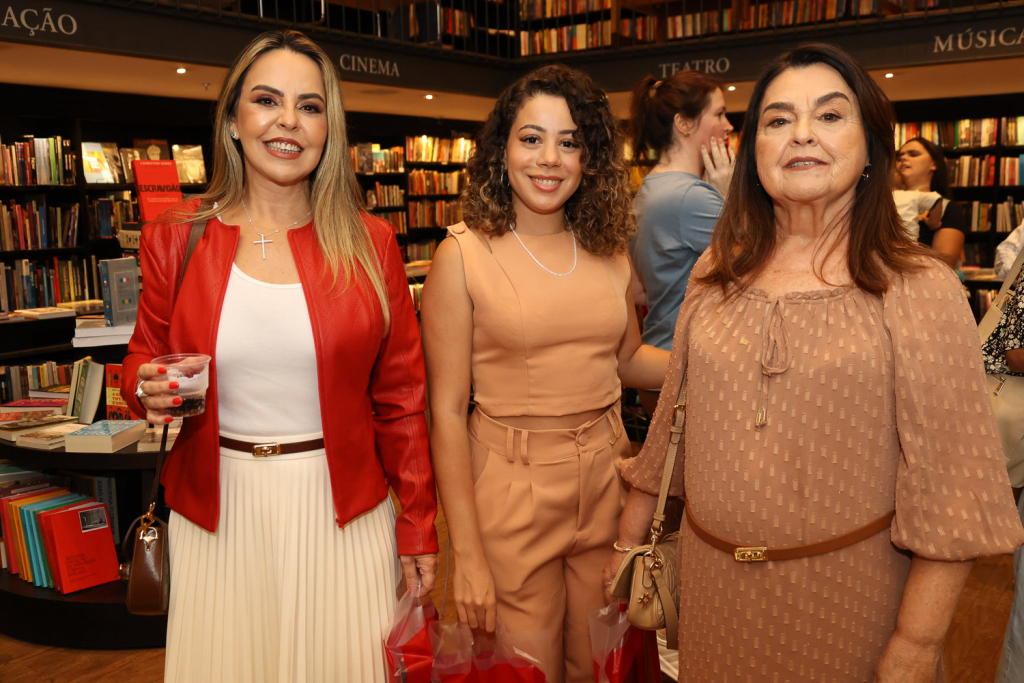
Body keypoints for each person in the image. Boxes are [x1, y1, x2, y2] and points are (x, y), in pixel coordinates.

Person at [604, 43, 1024, 682]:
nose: (801, 133)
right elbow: (671, 429)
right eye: (777, 119)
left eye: (829, 116)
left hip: (851, 602)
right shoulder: (716, 271)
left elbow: (952, 490)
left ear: (869, 146)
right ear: (753, 152)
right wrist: (629, 545)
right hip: (714, 595)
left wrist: (915, 644)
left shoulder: (919, 285)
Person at [121, 30, 438, 682]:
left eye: (310, 106)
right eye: (267, 100)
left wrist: (419, 527)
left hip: (343, 514)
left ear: (329, 126)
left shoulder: (371, 243)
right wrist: (144, 385)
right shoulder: (175, 238)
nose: (288, 121)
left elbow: (402, 402)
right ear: (234, 119)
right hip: (216, 514)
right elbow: (142, 358)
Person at [421, 64, 669, 683]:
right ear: (501, 148)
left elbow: (628, 361)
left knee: (601, 665)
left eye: (570, 141)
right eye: (531, 138)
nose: (549, 159)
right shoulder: (462, 255)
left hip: (607, 475)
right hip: (510, 488)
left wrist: (715, 362)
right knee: (522, 670)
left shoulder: (611, 248)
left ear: (590, 158)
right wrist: (468, 553)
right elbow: (446, 412)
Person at [628, 71, 734, 416]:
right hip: (685, 364)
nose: (728, 125)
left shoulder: (650, 188)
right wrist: (728, 195)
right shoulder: (689, 195)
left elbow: (639, 290)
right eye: (718, 114)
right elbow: (764, 263)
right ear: (684, 124)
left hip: (659, 355)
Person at [897, 136, 968, 266]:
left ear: (934, 164)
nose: (903, 158)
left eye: (913, 154)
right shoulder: (886, 203)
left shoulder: (948, 208)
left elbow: (944, 266)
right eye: (899, 156)